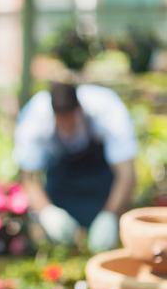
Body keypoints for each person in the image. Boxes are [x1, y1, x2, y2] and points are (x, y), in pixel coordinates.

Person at [14, 82, 137, 252]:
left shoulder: (107, 109)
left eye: (70, 120)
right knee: (57, 243)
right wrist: (47, 212)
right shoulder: (34, 117)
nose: (66, 127)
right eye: (61, 121)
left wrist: (110, 215)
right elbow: (29, 177)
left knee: (107, 243)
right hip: (61, 182)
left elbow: (126, 174)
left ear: (79, 110)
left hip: (101, 181)